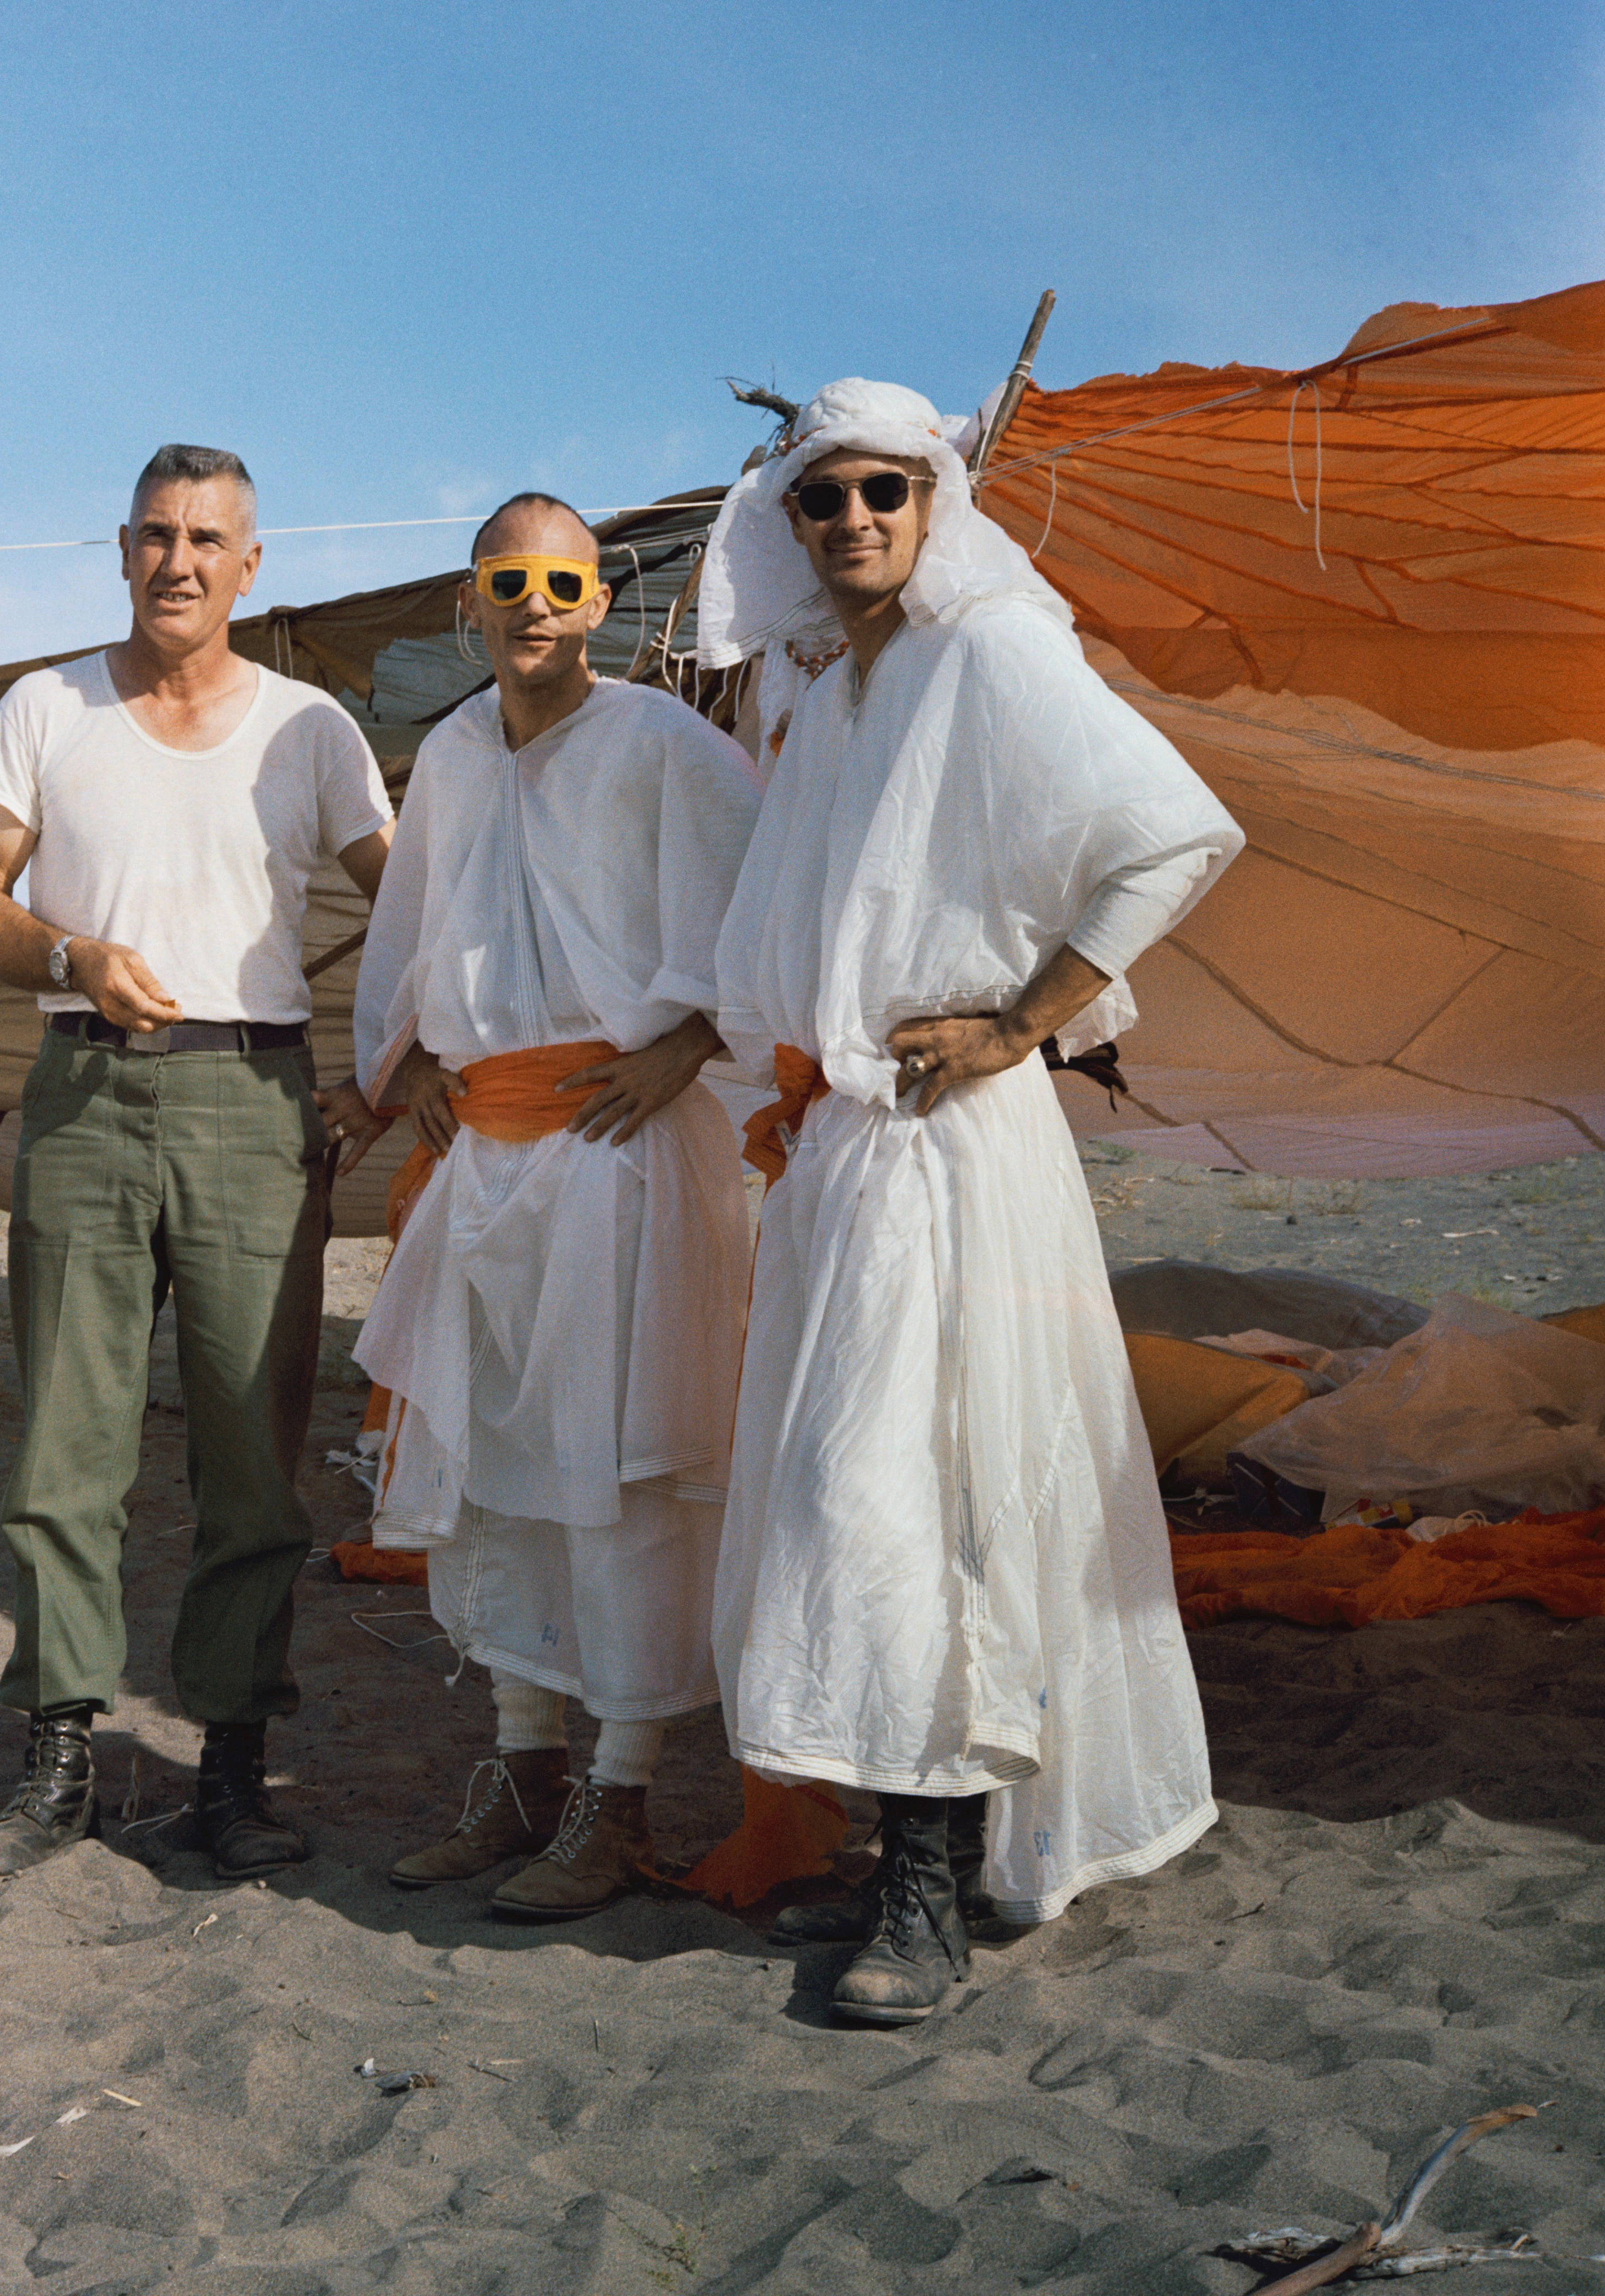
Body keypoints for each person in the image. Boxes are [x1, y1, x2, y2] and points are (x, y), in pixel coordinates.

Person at [700, 381, 1244, 2024]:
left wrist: (1027, 1017)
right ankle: (898, 1850)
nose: (855, 517)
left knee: (910, 1499)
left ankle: (930, 1887)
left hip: (952, 1144)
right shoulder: (833, 695)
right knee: (843, 1501)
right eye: (822, 496)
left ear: (932, 498)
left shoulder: (992, 651)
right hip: (851, 1154)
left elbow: (1175, 836)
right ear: (789, 525)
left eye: (886, 487)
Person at [0, 444, 393, 1888]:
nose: (179, 561)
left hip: (256, 1102)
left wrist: (389, 1079)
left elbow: (425, 899)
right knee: (66, 1448)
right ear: (120, 549)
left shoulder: (312, 729)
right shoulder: (45, 708)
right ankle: (58, 1758)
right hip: (82, 1087)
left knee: (252, 1462)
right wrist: (70, 954)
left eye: (209, 539)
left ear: (253, 567)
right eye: (155, 535)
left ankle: (234, 1771)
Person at [343, 493, 762, 1920]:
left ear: (599, 602)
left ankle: (621, 1796)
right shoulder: (453, 755)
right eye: (507, 578)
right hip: (492, 1168)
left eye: (560, 579)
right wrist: (420, 1075)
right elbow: (416, 937)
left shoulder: (662, 745)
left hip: (622, 1164)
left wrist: (690, 1044)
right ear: (472, 600)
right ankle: (524, 1768)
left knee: (621, 1480)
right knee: (499, 1472)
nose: (533, 601)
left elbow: (768, 909)